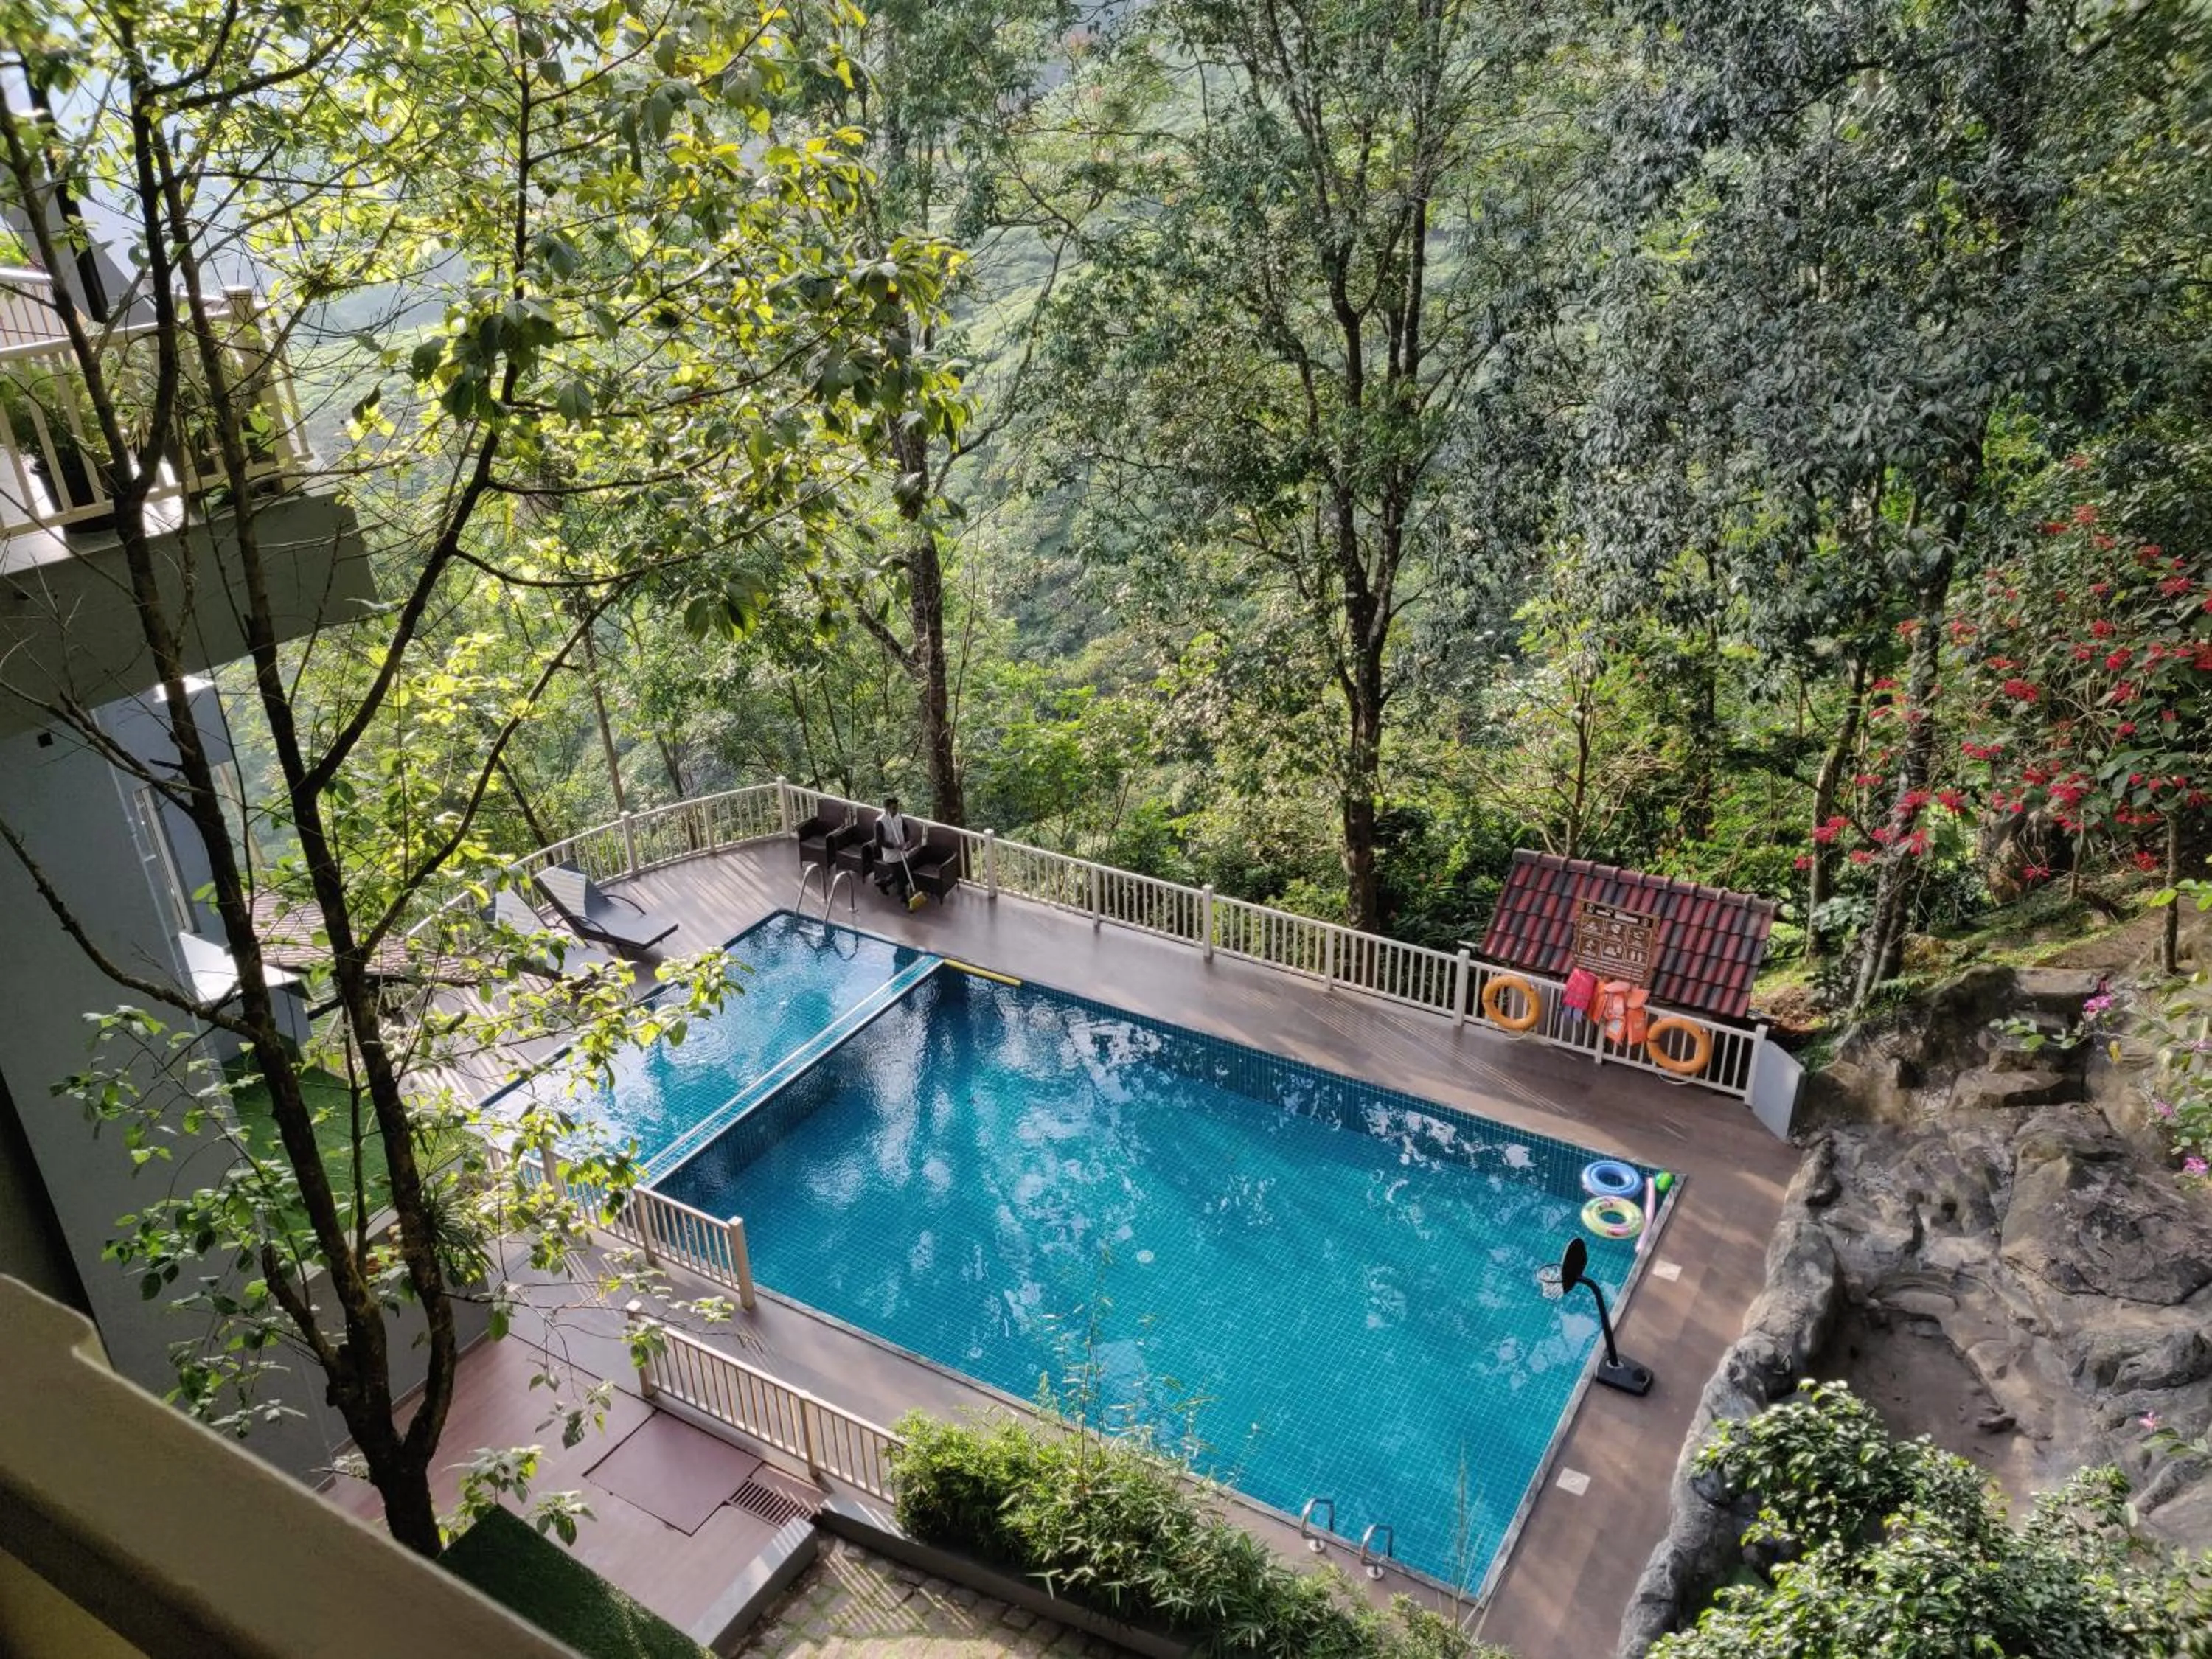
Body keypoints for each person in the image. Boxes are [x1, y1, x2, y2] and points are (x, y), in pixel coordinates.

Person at [872, 796, 927, 910]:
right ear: (886, 809)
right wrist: (893, 846)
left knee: (900, 874)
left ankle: (883, 883)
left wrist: (908, 841)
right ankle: (904, 899)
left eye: (896, 808)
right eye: (893, 808)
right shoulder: (880, 822)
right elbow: (879, 841)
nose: (895, 811)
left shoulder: (899, 817)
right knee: (902, 876)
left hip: (902, 850)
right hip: (891, 854)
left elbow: (905, 830)